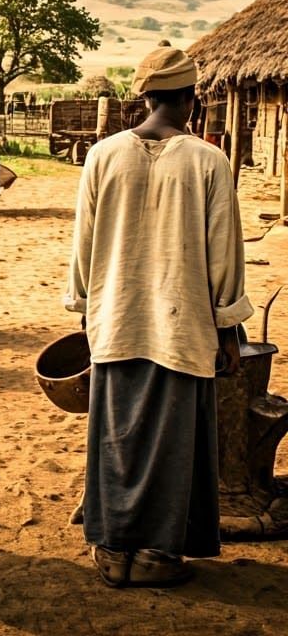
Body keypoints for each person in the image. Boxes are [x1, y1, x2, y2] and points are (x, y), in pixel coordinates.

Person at [64, 45, 253, 588]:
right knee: (173, 444)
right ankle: (155, 557)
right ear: (192, 99)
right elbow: (225, 255)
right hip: (185, 325)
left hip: (116, 319)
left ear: (144, 96)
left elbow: (84, 246)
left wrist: (86, 310)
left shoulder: (103, 155)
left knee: (115, 438)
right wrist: (229, 330)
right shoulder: (208, 160)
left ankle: (113, 551)